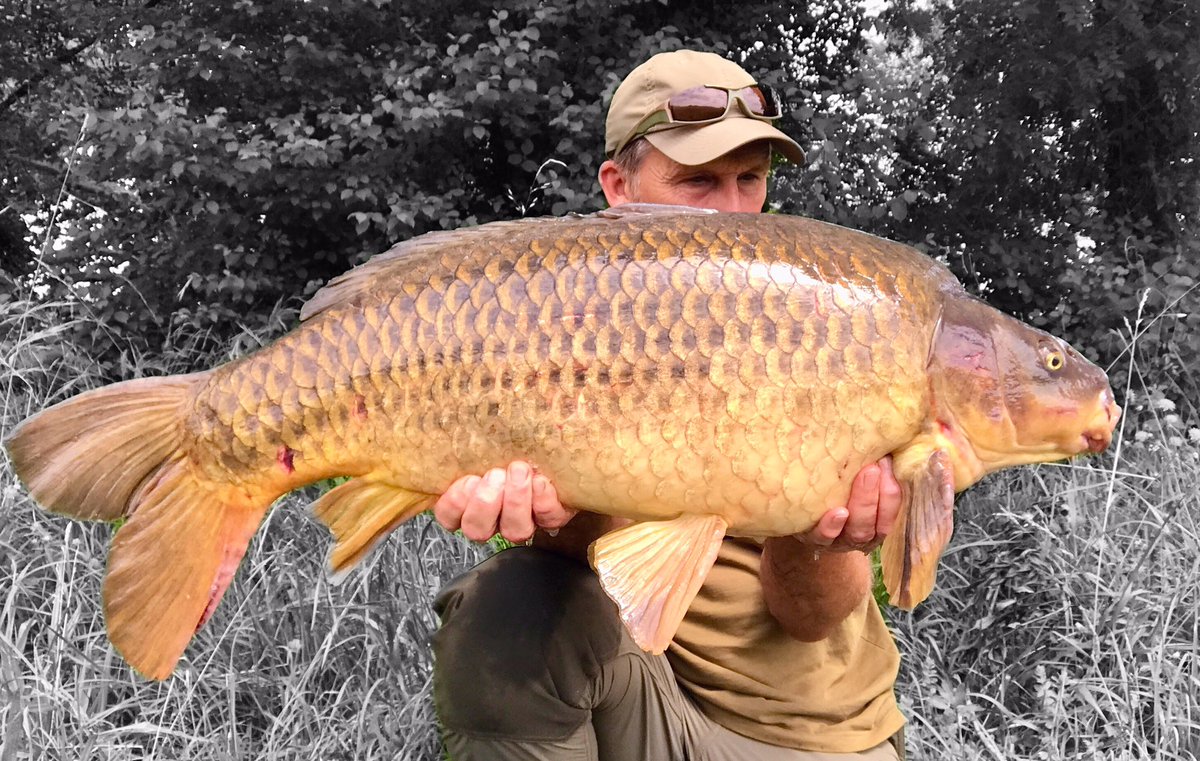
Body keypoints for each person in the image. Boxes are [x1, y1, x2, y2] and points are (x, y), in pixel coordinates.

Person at [430, 50, 907, 760]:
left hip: (815, 742)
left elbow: (809, 618)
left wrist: (818, 532)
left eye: (750, 180)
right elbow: (586, 560)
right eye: (700, 181)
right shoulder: (562, 322)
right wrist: (548, 504)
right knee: (511, 607)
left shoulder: (817, 327)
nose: (735, 212)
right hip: (648, 705)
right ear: (619, 187)